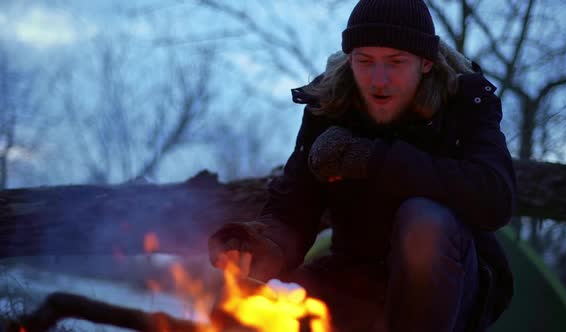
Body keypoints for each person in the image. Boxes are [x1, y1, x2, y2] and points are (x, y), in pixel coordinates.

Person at [208, 0, 516, 331]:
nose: (378, 80)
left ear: (425, 63)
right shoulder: (331, 106)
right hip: (351, 278)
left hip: (448, 287)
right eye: (365, 62)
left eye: (395, 63)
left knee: (425, 221)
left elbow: (494, 199)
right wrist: (265, 246)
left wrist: (377, 160)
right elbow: (294, 207)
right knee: (250, 316)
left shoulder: (463, 102)